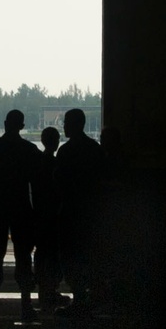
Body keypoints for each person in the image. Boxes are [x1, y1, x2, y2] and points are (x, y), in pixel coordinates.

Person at [0, 110, 42, 319]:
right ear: (21, 126)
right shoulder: (29, 150)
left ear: (5, 124)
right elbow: (37, 186)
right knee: (23, 256)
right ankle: (26, 305)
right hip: (21, 207)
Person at [54, 108, 107, 316]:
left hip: (70, 211)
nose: (64, 126)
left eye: (66, 122)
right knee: (89, 255)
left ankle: (78, 298)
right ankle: (92, 295)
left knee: (70, 256)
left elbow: (58, 182)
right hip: (91, 212)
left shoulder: (66, 152)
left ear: (74, 124)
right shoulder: (94, 149)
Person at [33, 126, 69, 310]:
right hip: (55, 215)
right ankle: (52, 290)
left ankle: (42, 290)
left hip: (39, 215)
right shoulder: (57, 165)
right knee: (54, 255)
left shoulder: (37, 164)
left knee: (41, 254)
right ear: (56, 142)